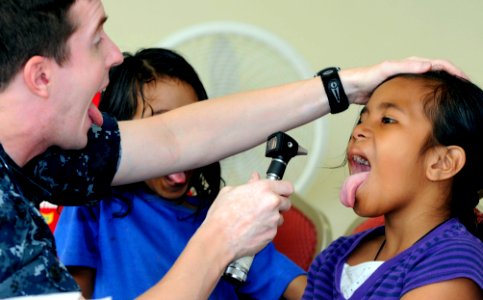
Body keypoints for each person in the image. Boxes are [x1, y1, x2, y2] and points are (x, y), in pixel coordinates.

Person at [0, 0, 465, 298]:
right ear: (42, 76)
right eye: (97, 38)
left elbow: (176, 139)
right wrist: (218, 241)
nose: (116, 54)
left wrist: (343, 86)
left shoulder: (61, 157)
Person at [54, 48, 307, 300]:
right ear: (123, 133)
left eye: (195, 126)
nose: (184, 144)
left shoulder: (224, 216)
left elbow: (299, 288)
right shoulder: (92, 206)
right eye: (164, 127)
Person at [302, 71, 483, 299]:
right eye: (361, 119)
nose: (358, 131)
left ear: (442, 163)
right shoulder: (335, 255)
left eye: (387, 120)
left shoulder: (452, 260)